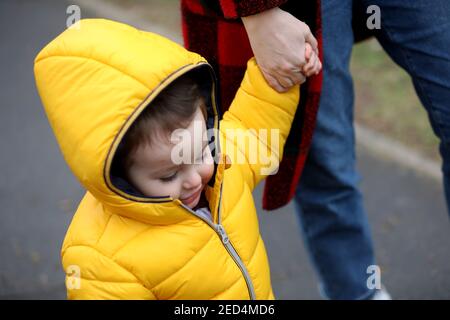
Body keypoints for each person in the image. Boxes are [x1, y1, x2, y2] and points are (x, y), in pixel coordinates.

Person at [34, 18, 320, 299]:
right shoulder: (102, 262)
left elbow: (253, 129)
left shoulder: (223, 164)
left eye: (200, 152)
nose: (196, 178)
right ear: (117, 173)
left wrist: (280, 74)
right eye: (170, 175)